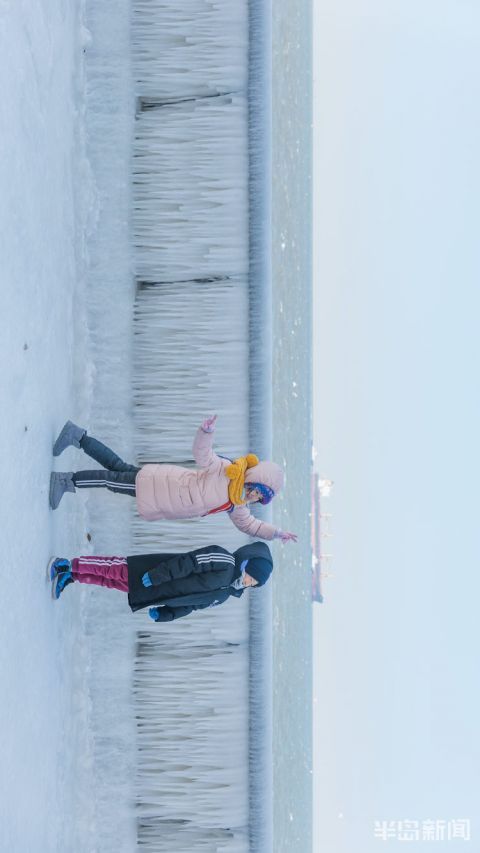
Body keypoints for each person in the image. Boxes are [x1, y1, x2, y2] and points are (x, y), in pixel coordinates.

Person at [49, 416, 297, 543]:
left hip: (162, 495)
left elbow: (250, 526)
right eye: (257, 491)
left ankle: (77, 436)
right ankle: (66, 481)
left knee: (117, 468)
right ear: (253, 479)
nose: (254, 497)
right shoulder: (227, 469)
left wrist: (276, 533)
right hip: (160, 487)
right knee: (111, 480)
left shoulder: (236, 504)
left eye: (260, 498)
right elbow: (203, 455)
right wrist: (206, 432)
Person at [49, 541, 273, 622]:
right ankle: (68, 564)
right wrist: (157, 575)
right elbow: (189, 562)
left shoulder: (225, 594)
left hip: (158, 592)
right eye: (251, 576)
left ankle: (73, 576)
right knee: (114, 569)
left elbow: (193, 605)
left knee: (111, 582)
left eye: (254, 583)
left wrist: (168, 614)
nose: (249, 582)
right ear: (247, 564)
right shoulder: (225, 560)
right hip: (155, 572)